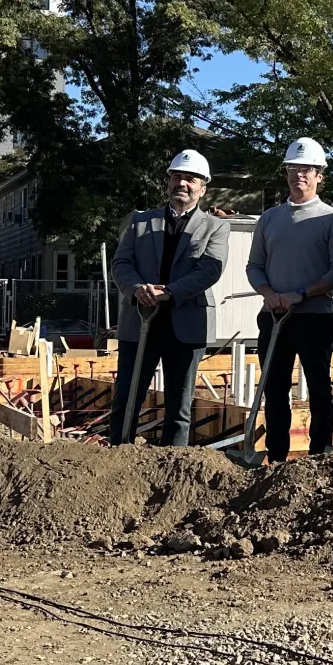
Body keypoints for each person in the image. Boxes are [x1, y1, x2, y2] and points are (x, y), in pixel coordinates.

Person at [109, 149, 229, 446]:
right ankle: (116, 458)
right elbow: (121, 264)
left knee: (179, 406)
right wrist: (137, 289)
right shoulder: (139, 222)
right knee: (126, 398)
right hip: (139, 321)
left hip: (186, 324)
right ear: (168, 182)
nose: (182, 184)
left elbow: (209, 270)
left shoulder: (216, 226)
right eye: (177, 177)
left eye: (190, 179)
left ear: (203, 187)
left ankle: (173, 464)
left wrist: (169, 293)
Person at [246, 137, 333, 462]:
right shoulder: (269, 218)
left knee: (319, 388)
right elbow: (254, 266)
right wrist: (270, 295)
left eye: (306, 169)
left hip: (314, 316)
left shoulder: (332, 219)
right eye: (293, 168)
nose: (298, 175)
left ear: (319, 175)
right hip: (274, 317)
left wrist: (302, 294)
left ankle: (319, 454)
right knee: (275, 389)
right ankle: (277, 457)